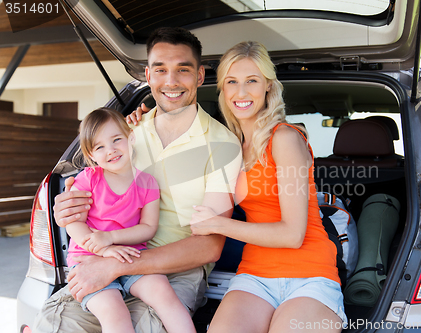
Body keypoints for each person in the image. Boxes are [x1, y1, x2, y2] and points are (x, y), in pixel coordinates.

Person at [33, 27, 242, 333]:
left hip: (175, 270)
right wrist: (66, 210)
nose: (170, 81)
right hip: (103, 255)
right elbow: (87, 193)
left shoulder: (223, 145)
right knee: (52, 324)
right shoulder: (125, 134)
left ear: (199, 76)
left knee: (143, 326)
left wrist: (116, 263)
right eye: (160, 70)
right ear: (147, 75)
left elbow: (209, 246)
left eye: (182, 70)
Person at [189, 41, 347, 332]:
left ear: (268, 87)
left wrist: (218, 225)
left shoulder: (284, 138)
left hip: (310, 275)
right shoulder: (229, 146)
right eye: (232, 82)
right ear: (222, 90)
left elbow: (292, 234)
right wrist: (138, 126)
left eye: (252, 81)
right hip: (254, 275)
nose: (241, 92)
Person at [66, 107, 195, 333]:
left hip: (132, 257)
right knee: (114, 313)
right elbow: (73, 223)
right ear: (91, 155)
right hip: (89, 260)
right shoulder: (88, 179)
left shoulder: (147, 183)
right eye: (100, 147)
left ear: (131, 137)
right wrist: (104, 250)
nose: (111, 150)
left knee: (164, 294)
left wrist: (112, 237)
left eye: (117, 140)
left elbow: (148, 228)